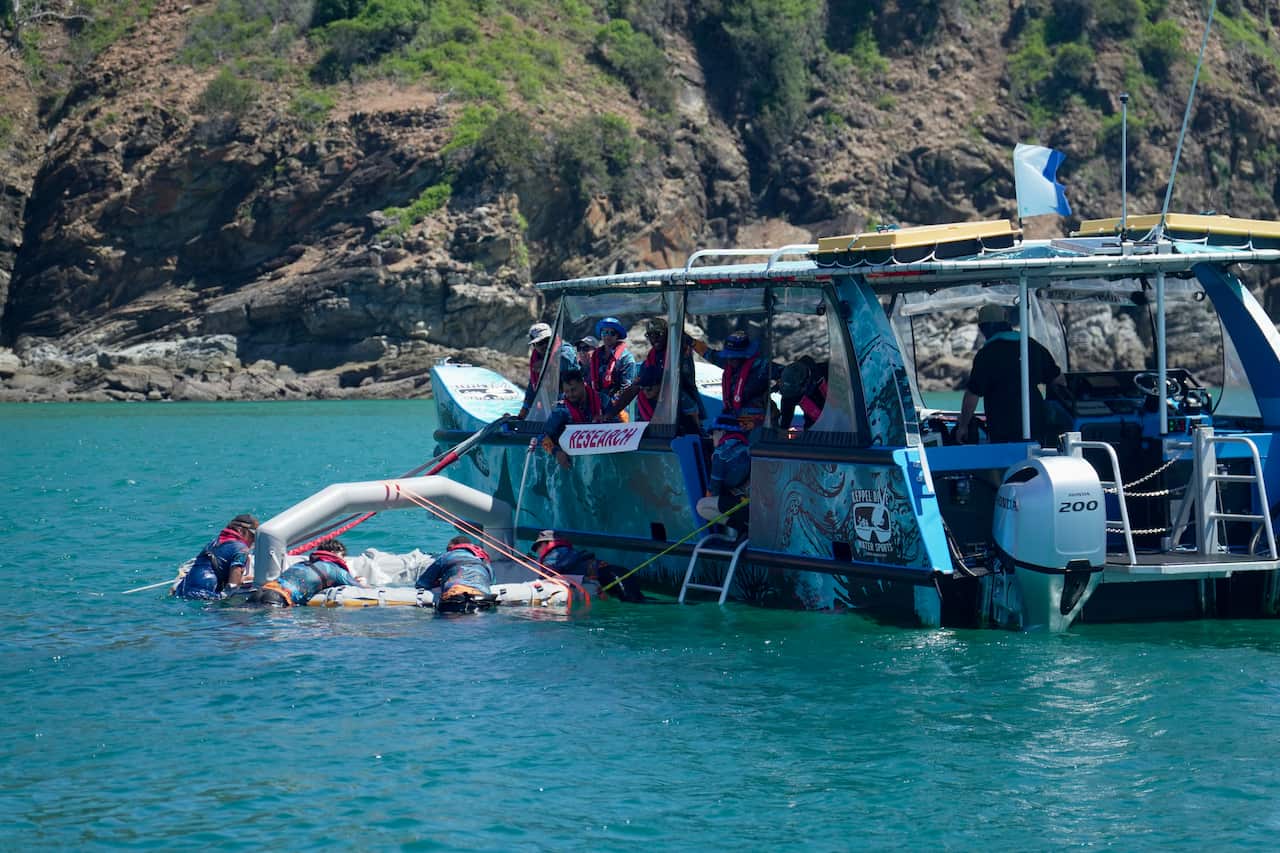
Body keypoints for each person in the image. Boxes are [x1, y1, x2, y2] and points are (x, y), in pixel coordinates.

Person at [956, 304, 1072, 444]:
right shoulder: (1032, 346)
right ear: (1007, 324)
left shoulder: (987, 354)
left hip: (1002, 426)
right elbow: (1059, 381)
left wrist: (963, 426)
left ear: (983, 328)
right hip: (1035, 422)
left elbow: (972, 394)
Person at [603, 318, 705, 434]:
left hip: (678, 404)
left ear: (667, 335)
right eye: (650, 335)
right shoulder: (650, 360)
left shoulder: (678, 352)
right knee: (641, 398)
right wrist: (610, 414)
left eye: (659, 334)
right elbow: (635, 388)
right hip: (655, 406)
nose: (654, 338)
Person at [530, 529, 644, 602]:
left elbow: (552, 570)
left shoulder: (556, 552)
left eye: (538, 547)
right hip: (613, 575)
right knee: (636, 602)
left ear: (546, 543)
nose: (538, 551)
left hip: (613, 576)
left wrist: (541, 579)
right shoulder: (564, 552)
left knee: (635, 603)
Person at [693, 330, 779, 426]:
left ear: (744, 356)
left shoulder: (762, 367)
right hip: (734, 416)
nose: (729, 360)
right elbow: (707, 353)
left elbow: (786, 374)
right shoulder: (728, 362)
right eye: (728, 356)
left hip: (759, 419)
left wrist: (779, 386)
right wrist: (691, 342)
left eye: (734, 357)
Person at [248, 538, 364, 607]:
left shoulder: (301, 564)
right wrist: (360, 582)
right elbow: (361, 589)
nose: (344, 560)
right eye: (343, 556)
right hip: (279, 598)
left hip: (260, 592)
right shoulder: (334, 569)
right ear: (334, 553)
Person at [540, 368, 615, 468]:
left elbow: (618, 427)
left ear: (583, 384)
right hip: (576, 464)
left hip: (605, 460)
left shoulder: (603, 401)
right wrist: (556, 452)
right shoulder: (561, 410)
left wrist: (605, 420)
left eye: (573, 390)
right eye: (567, 392)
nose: (570, 395)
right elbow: (542, 437)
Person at [172, 513, 258, 600]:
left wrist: (244, 579)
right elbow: (233, 583)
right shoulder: (241, 549)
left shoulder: (214, 542)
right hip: (205, 595)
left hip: (182, 589)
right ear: (241, 531)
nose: (253, 541)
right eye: (253, 536)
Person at [696, 413, 752, 536]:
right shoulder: (747, 446)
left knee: (702, 506)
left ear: (722, 431)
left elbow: (713, 489)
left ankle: (742, 529)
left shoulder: (720, 453)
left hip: (744, 507)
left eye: (713, 432)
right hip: (759, 506)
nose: (711, 436)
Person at [414, 534, 497, 613]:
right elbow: (492, 581)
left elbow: (423, 583)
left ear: (452, 547)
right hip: (483, 598)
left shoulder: (445, 557)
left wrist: (440, 582)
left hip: (456, 596)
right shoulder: (482, 559)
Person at [518, 322, 578, 420]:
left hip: (571, 402)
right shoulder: (536, 360)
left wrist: (547, 363)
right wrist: (525, 408)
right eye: (540, 343)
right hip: (549, 406)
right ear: (534, 345)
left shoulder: (565, 349)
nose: (545, 345)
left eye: (548, 340)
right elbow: (532, 388)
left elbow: (567, 362)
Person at [587, 317, 637, 407]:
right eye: (604, 332)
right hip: (596, 404)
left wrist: (610, 407)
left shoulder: (626, 358)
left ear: (617, 335)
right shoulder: (595, 357)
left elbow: (626, 388)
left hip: (619, 407)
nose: (607, 336)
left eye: (612, 333)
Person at [778, 356, 829, 430]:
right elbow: (785, 420)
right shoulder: (789, 390)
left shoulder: (829, 372)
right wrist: (782, 434)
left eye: (796, 395)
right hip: (815, 428)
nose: (792, 397)